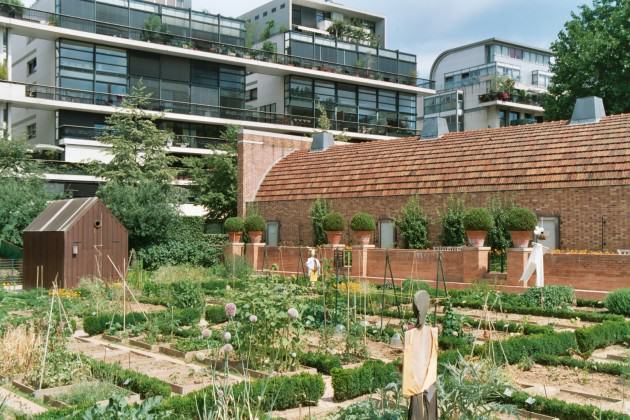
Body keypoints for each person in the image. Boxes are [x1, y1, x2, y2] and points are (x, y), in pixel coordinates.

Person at [402, 290, 438, 420]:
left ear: (415, 308)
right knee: (430, 412)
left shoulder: (411, 334)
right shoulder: (431, 332)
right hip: (429, 384)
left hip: (417, 386)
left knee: (417, 412)